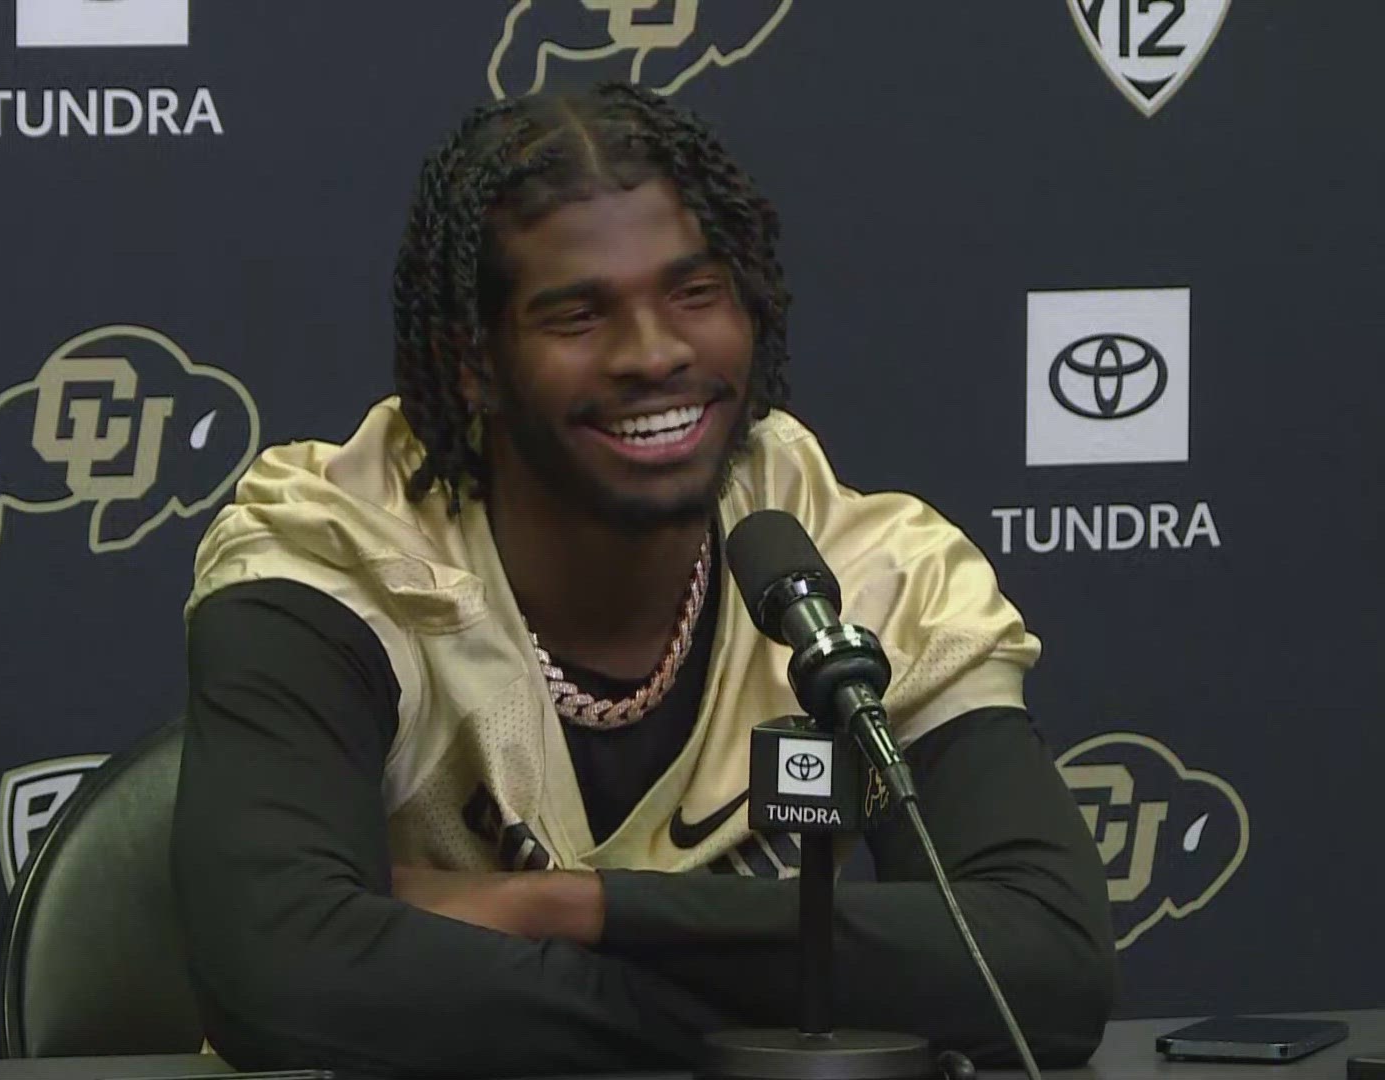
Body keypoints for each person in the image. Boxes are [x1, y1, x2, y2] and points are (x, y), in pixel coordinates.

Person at [172, 83, 1116, 1077]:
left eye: (695, 294)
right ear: (471, 367)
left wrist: (565, 909)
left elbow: (1044, 965)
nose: (656, 352)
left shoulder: (862, 569)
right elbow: (282, 979)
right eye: (578, 315)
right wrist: (775, 1023)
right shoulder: (328, 550)